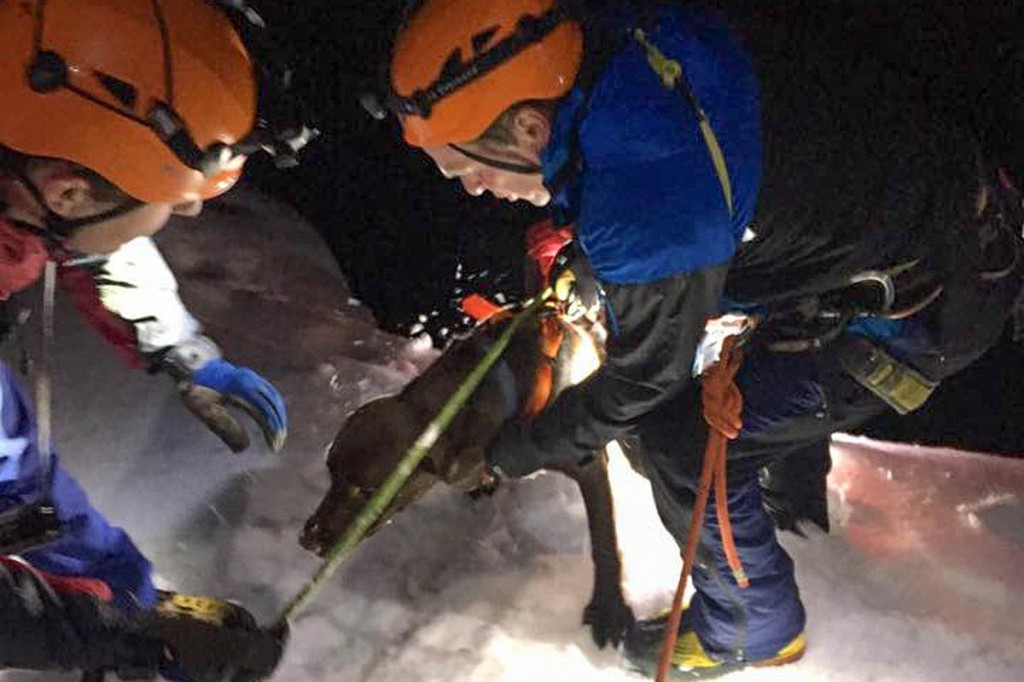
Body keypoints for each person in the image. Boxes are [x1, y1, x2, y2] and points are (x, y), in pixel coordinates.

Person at [372, 0, 1023, 678]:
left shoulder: (645, 188)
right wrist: (592, 263)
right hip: (930, 229)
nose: (477, 189)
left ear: (531, 126)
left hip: (926, 304)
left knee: (679, 443)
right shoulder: (617, 56)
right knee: (747, 397)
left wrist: (509, 451)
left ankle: (752, 629)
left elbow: (640, 382)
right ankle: (790, 511)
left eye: (467, 168)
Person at [0, 0, 311, 678]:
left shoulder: (25, 178)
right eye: (170, 197)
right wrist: (105, 635)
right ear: (69, 191)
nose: (191, 209)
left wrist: (178, 348)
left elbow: (94, 236)